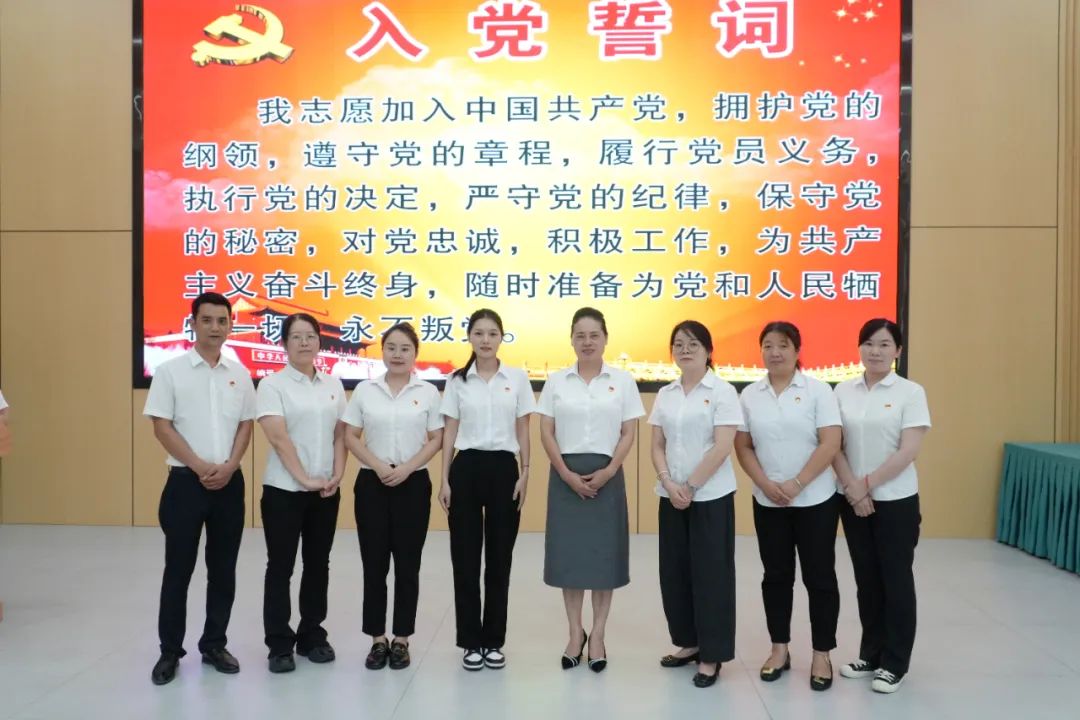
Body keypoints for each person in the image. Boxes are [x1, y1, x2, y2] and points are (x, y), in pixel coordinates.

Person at [144, 292, 255, 686]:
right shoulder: (170, 371)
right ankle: (169, 651)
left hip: (229, 484)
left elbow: (246, 425)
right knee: (178, 570)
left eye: (222, 321)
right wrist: (199, 465)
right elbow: (162, 426)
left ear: (230, 325)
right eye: (206, 320)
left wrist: (230, 465)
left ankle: (214, 644)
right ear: (193, 324)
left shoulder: (239, 374)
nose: (215, 327)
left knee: (223, 570)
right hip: (185, 484)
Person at [734, 321, 842, 691]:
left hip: (815, 500)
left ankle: (822, 653)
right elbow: (744, 446)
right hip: (768, 501)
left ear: (797, 351)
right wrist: (766, 484)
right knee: (776, 576)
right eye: (768, 345)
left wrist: (797, 483)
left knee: (820, 577)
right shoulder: (750, 395)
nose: (775, 352)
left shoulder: (818, 391)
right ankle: (779, 648)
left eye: (783, 345)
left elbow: (830, 442)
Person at [538, 306, 644, 673]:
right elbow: (546, 431)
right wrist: (565, 473)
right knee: (569, 560)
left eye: (594, 335)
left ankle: (597, 635)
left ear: (605, 339)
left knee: (603, 560)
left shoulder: (623, 381)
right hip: (565, 477)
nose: (587, 342)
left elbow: (629, 432)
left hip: (606, 477)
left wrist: (611, 469)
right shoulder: (556, 381)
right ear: (571, 339)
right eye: (580, 335)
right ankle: (574, 634)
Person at [833, 318, 931, 694]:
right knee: (867, 579)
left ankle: (895, 663)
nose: (876, 351)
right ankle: (870, 654)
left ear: (898, 351)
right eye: (869, 343)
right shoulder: (843, 390)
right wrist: (853, 489)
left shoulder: (910, 392)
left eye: (885, 344)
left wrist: (866, 485)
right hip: (852, 499)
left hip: (895, 501)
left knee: (896, 579)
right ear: (859, 348)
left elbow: (908, 451)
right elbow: (833, 444)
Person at [343, 322, 443, 671]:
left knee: (407, 565)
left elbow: (436, 438)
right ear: (382, 351)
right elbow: (350, 435)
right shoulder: (365, 390)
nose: (398, 354)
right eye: (391, 348)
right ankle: (377, 639)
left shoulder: (428, 392)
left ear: (415, 354)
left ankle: (401, 639)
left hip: (412, 484)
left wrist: (407, 468)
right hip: (372, 484)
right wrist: (378, 465)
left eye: (405, 348)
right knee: (374, 564)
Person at [439, 309, 535, 671]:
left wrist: (526, 471)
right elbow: (450, 430)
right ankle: (470, 642)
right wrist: (444, 478)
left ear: (501, 337)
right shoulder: (457, 380)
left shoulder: (517, 378)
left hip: (504, 470)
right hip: (465, 468)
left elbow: (523, 428)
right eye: (478, 333)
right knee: (464, 558)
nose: (485, 339)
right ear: (470, 337)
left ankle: (493, 640)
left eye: (492, 333)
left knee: (499, 558)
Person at [650, 321, 743, 688]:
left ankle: (712, 655)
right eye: (678, 344)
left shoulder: (722, 391)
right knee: (675, 572)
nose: (685, 350)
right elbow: (657, 444)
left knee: (711, 575)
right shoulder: (666, 393)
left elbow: (722, 446)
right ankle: (689, 642)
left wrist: (689, 486)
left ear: (708, 350)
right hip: (671, 495)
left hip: (710, 496)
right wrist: (669, 483)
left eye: (693, 344)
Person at [256, 313, 347, 673]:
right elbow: (278, 438)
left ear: (319, 342)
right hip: (284, 490)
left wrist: (337, 472)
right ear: (284, 343)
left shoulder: (333, 385)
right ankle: (279, 643)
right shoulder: (272, 385)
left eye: (310, 336)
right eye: (296, 337)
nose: (305, 342)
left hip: (325, 490)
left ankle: (312, 634)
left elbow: (340, 434)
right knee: (281, 566)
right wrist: (305, 479)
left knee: (318, 563)